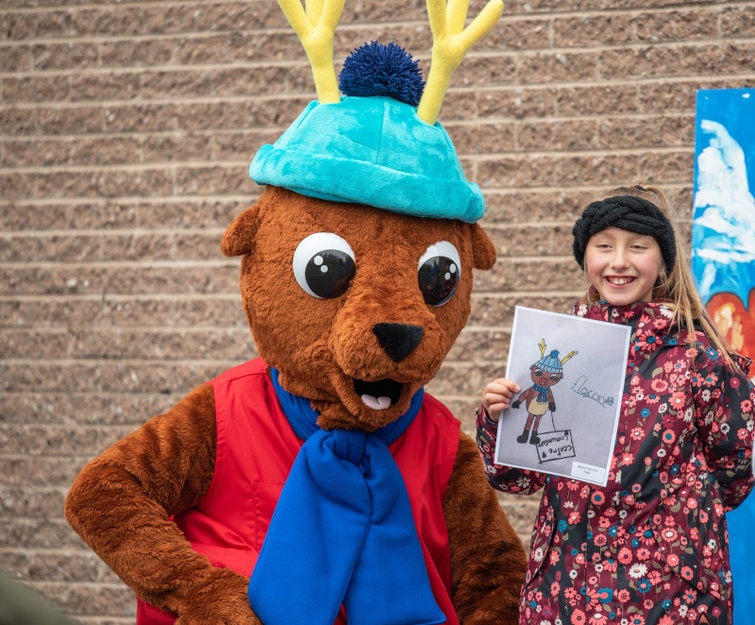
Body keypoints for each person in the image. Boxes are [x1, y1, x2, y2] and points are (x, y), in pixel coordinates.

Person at [476, 184, 755, 625]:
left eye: (637, 247)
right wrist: (497, 419)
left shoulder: (700, 357)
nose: (619, 261)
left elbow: (735, 475)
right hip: (566, 590)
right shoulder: (556, 350)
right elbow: (515, 477)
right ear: (585, 258)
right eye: (604, 246)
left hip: (671, 596)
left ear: (661, 259)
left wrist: (668, 518)